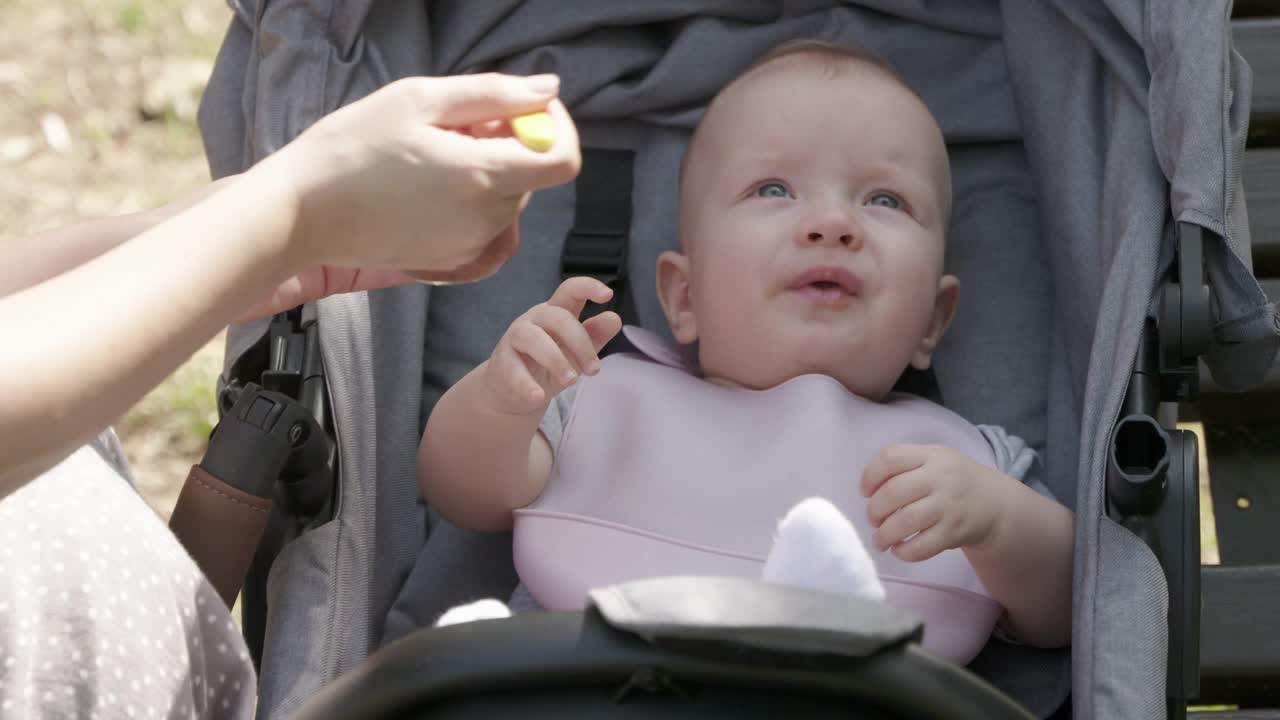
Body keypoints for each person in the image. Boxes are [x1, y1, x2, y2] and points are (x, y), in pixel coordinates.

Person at [418, 41, 1074, 659]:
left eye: (884, 199)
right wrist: (504, 403)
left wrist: (996, 524)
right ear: (684, 298)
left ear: (933, 319)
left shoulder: (965, 468)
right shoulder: (602, 394)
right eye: (773, 190)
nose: (832, 225)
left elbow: (1069, 604)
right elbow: (461, 494)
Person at [0, 72, 580, 717]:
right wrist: (289, 207)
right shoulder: (622, 391)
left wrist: (208, 234)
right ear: (679, 289)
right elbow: (466, 488)